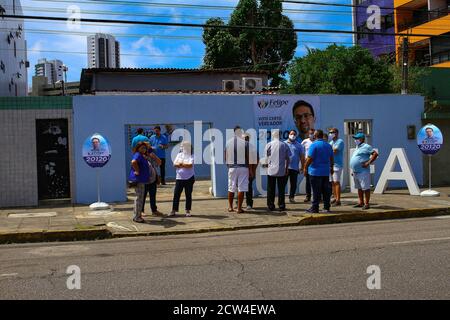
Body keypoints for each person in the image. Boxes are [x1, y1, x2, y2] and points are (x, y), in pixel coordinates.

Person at [225, 126, 257, 213]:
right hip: (243, 168)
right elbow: (248, 158)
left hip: (232, 167)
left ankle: (230, 207)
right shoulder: (245, 143)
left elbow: (226, 156)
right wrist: (250, 170)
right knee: (241, 188)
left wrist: (228, 166)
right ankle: (239, 208)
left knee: (231, 188)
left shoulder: (228, 143)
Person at [303, 130, 334, 214]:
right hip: (325, 171)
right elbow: (331, 158)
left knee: (316, 191)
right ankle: (326, 207)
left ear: (315, 135)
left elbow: (310, 158)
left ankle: (315, 208)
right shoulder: (328, 145)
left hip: (315, 171)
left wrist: (305, 167)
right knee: (326, 191)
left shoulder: (314, 145)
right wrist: (331, 167)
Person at [350, 133, 378, 210]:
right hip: (356, 171)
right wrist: (353, 169)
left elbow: (375, 154)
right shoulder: (357, 147)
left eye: (357, 138)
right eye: (355, 138)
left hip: (363, 171)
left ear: (362, 139)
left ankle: (367, 203)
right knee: (359, 188)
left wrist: (368, 163)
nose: (355, 140)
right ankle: (361, 202)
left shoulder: (366, 146)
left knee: (365, 188)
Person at [264, 130, 290, 212]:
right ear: (280, 135)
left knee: (270, 189)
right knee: (281, 189)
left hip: (271, 170)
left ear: (273, 135)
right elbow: (288, 158)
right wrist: (286, 169)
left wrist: (267, 167)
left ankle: (270, 206)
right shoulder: (284, 145)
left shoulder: (269, 145)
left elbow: (265, 158)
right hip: (281, 170)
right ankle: (281, 205)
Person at [170, 141, 195, 217]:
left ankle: (187, 210)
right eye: (182, 146)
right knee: (176, 194)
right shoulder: (179, 155)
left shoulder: (192, 155)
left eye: (185, 146)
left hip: (189, 177)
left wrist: (180, 164)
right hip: (179, 178)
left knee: (188, 194)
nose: (183, 148)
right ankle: (174, 210)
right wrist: (183, 165)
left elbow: (190, 165)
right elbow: (174, 164)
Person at [129, 141, 152, 223]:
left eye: (145, 148)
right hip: (139, 180)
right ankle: (137, 217)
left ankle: (137, 215)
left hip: (142, 180)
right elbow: (133, 162)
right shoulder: (138, 155)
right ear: (138, 148)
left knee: (139, 198)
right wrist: (137, 171)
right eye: (142, 148)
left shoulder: (142, 155)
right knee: (139, 198)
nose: (144, 149)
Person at [141, 143, 163, 217]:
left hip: (153, 179)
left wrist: (154, 156)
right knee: (143, 196)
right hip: (144, 180)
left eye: (148, 148)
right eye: (145, 148)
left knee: (153, 195)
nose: (147, 150)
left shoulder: (152, 156)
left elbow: (159, 162)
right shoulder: (141, 156)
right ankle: (141, 210)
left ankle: (154, 210)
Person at [285, 130, 305, 203]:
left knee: (293, 184)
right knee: (283, 183)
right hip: (285, 168)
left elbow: (302, 157)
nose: (292, 135)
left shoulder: (299, 145)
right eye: (291, 134)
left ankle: (291, 197)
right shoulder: (284, 144)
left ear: (296, 135)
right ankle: (281, 198)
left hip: (295, 167)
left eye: (294, 134)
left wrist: (302, 167)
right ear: (288, 135)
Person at [328, 128, 345, 206]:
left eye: (332, 132)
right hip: (331, 165)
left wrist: (327, 152)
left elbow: (335, 151)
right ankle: (335, 197)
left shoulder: (340, 141)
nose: (331, 133)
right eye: (330, 132)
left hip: (337, 165)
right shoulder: (331, 142)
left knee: (336, 182)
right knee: (332, 183)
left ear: (337, 133)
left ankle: (338, 200)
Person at [243, 133, 258, 210]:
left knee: (248, 187)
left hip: (249, 171)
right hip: (241, 171)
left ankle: (249, 204)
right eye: (244, 138)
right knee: (239, 188)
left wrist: (253, 170)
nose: (245, 139)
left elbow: (256, 160)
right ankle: (239, 203)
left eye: (246, 138)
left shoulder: (252, 147)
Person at [301, 128, 315, 202]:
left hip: (316, 163)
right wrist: (303, 165)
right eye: (310, 133)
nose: (311, 135)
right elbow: (301, 152)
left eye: (312, 133)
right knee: (308, 181)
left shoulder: (316, 142)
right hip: (307, 163)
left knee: (316, 181)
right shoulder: (305, 141)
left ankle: (317, 196)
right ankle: (308, 196)